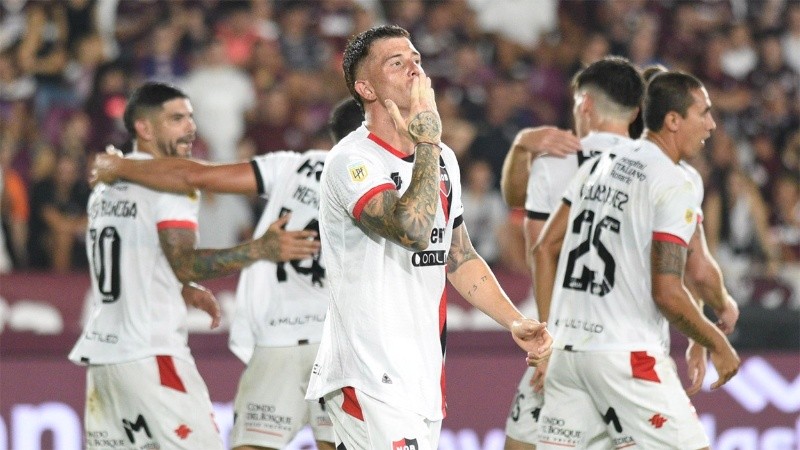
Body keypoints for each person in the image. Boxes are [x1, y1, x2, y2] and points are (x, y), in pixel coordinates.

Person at [304, 24, 552, 450]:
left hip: (421, 376)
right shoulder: (353, 160)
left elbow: (458, 256)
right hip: (370, 374)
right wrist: (429, 141)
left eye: (416, 59)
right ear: (366, 88)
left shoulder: (441, 158)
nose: (414, 69)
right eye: (396, 63)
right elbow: (412, 230)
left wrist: (514, 320)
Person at [90, 97, 366, 450]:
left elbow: (197, 175)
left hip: (277, 339)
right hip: (338, 343)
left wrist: (120, 166)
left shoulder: (294, 165)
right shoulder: (384, 183)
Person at [500, 59, 740, 450]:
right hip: (625, 351)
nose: (711, 125)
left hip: (567, 350)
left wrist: (548, 337)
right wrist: (714, 338)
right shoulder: (676, 179)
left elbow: (542, 244)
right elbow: (684, 278)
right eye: (704, 113)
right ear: (669, 118)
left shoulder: (596, 166)